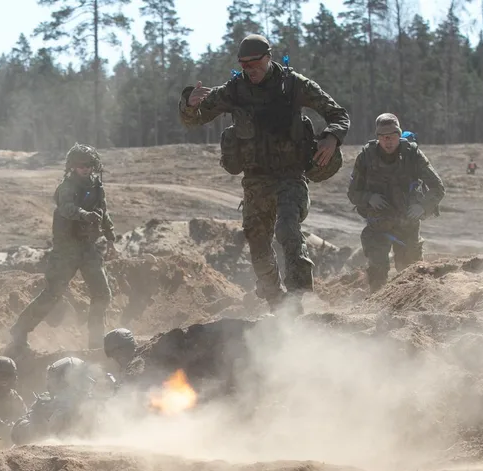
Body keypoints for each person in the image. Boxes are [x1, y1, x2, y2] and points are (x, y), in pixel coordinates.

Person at [179, 34, 350, 312]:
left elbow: (338, 113)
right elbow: (193, 120)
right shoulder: (234, 91)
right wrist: (189, 103)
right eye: (243, 65)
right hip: (255, 181)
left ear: (268, 57)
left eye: (255, 63)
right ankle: (276, 303)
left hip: (290, 177)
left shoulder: (294, 85)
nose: (250, 70)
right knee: (257, 244)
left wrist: (332, 138)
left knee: (288, 232)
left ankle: (298, 301)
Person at [10, 144, 116, 351]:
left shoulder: (96, 186)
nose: (86, 169)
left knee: (102, 294)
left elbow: (103, 212)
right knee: (53, 293)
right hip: (66, 249)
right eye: (81, 165)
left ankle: (95, 344)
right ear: (73, 167)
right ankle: (20, 331)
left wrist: (111, 236)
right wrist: (84, 214)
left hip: (88, 248)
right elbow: (66, 208)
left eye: (89, 165)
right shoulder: (66, 187)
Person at [346, 113, 446, 293]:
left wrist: (422, 206)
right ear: (377, 138)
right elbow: (353, 192)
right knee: (377, 272)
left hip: (407, 224)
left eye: (392, 137)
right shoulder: (366, 157)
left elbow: (438, 187)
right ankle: (375, 307)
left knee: (411, 274)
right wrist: (369, 198)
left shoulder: (413, 154)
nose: (388, 141)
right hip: (378, 225)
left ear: (399, 136)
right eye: (383, 137)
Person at [11, 357, 101, 445]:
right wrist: (40, 425)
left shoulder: (93, 404)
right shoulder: (45, 402)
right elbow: (16, 435)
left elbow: (102, 434)